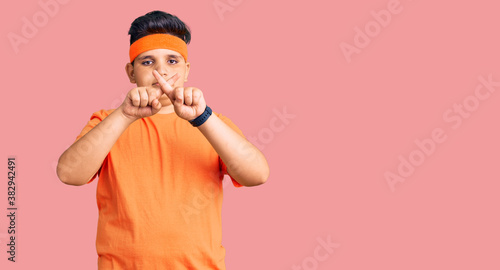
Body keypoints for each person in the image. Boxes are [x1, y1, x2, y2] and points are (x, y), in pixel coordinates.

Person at [56, 10, 269, 269]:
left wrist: (202, 117)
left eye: (172, 61)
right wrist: (124, 115)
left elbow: (257, 174)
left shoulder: (213, 124)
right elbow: (68, 174)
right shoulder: (107, 122)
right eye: (147, 62)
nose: (161, 72)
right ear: (131, 73)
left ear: (187, 70)